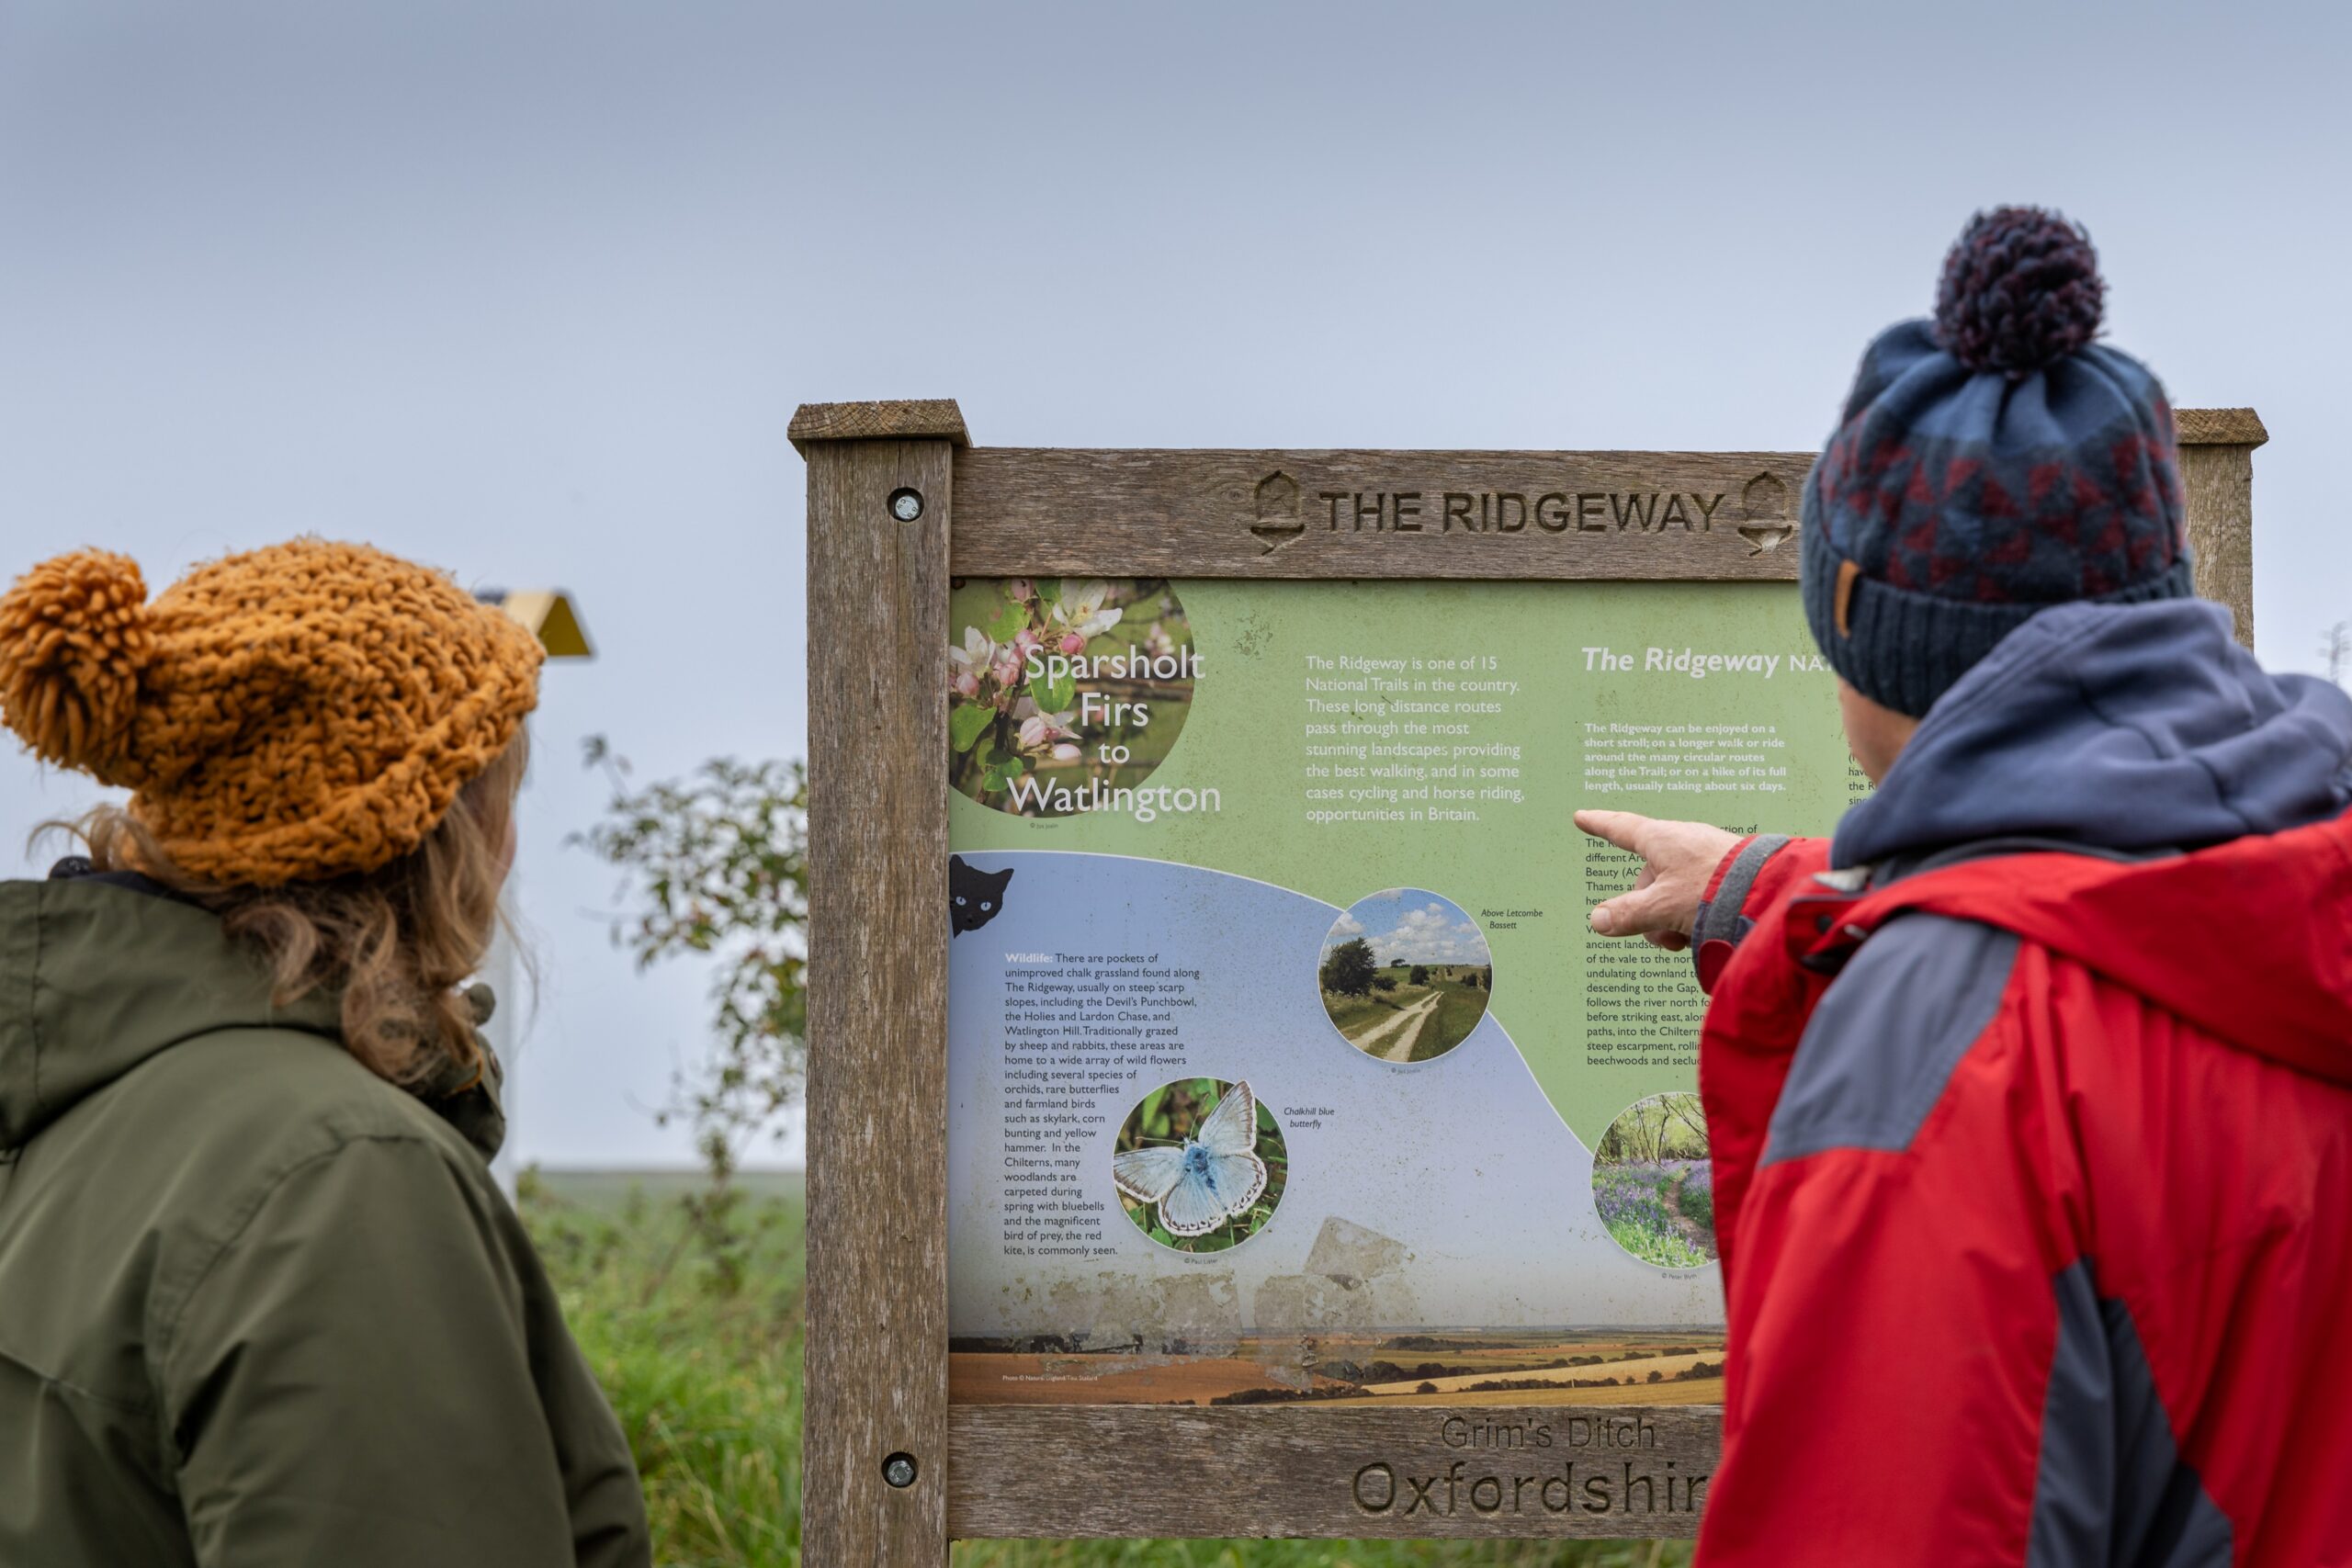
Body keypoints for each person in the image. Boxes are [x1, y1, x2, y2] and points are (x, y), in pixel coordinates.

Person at [1579, 209, 2352, 1565]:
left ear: (1868, 617)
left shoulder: (1948, 1056)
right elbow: (2115, 901)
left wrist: (1910, 961)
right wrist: (1777, 889)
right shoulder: (2303, 870)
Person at [0, 540, 651, 1566]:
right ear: (432, 832)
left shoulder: (75, 1104)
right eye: (501, 797)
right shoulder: (339, 1173)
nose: (512, 847)